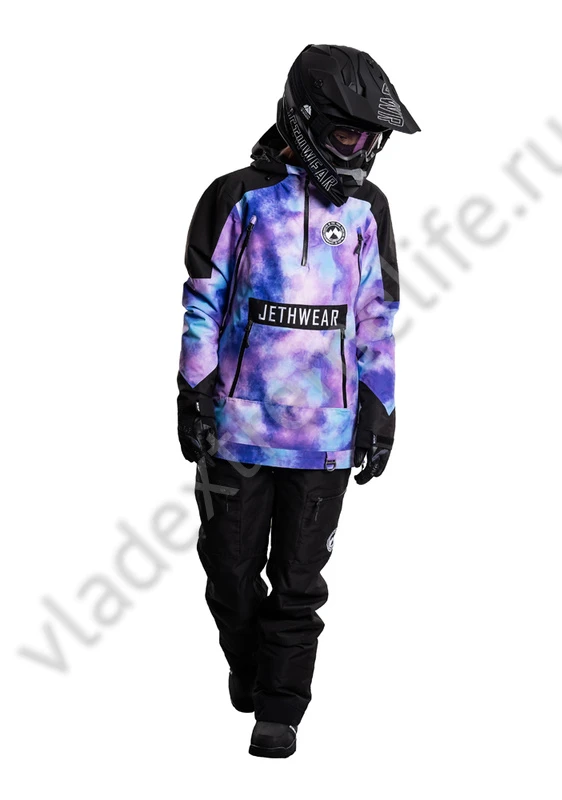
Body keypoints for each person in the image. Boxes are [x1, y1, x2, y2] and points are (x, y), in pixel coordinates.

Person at [177, 43, 420, 758]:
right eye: (347, 134)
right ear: (305, 120)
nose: (361, 151)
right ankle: (253, 666)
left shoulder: (369, 210)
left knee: (299, 582)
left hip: (326, 434)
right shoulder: (235, 197)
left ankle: (280, 708)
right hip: (236, 429)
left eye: (370, 139)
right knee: (227, 572)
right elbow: (203, 301)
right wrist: (193, 391)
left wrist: (380, 405)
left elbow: (376, 313)